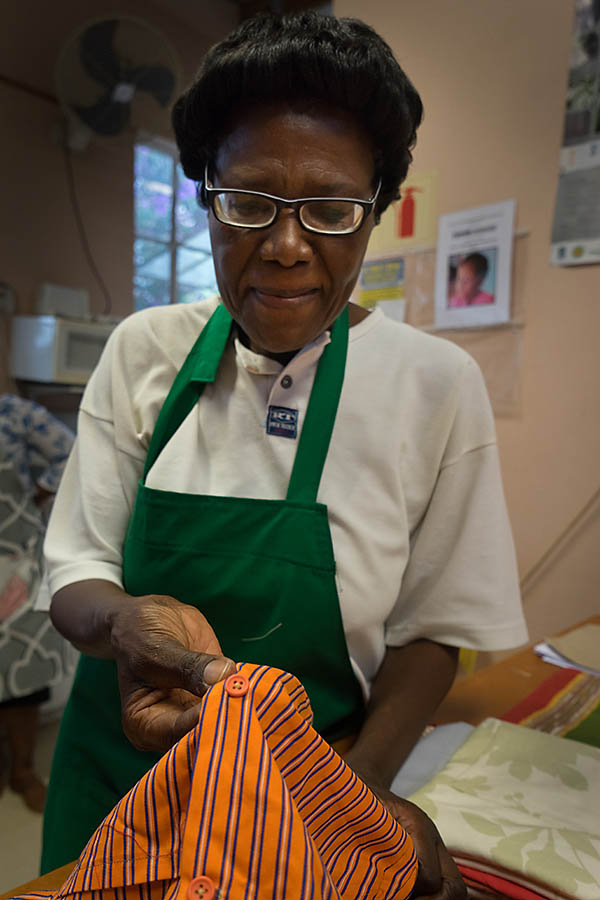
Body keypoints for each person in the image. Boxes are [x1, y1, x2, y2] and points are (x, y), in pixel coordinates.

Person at [41, 12, 527, 897]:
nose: (288, 246)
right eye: (249, 202)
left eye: (333, 210)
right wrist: (121, 622)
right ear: (207, 197)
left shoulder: (436, 385)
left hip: (319, 800)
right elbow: (77, 564)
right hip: (120, 791)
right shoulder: (145, 350)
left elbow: (432, 632)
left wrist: (353, 795)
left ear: (376, 210)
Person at [0, 394, 74, 812]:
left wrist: (42, 490)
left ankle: (23, 769)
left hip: (14, 563)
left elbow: (71, 449)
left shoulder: (15, 414)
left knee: (21, 679)